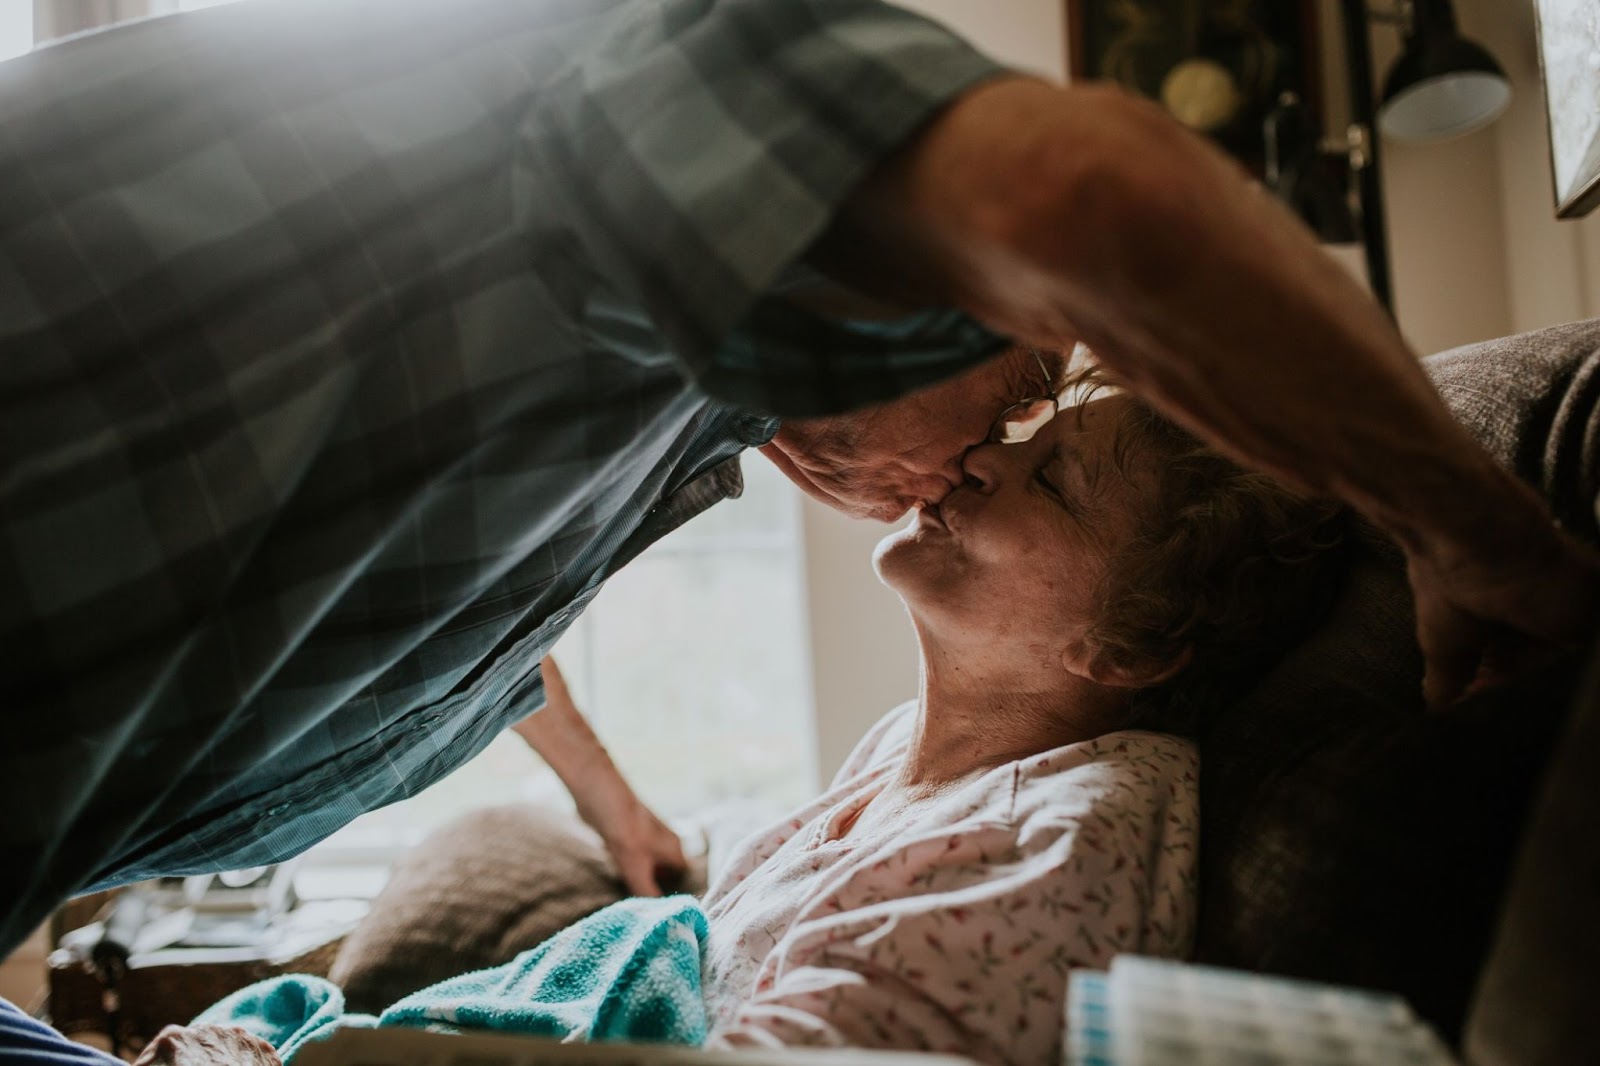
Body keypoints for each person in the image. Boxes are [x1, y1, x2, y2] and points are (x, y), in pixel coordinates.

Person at [1, 0, 1592, 970]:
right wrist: (1472, 531)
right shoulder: (669, 58)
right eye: (1025, 388)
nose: (981, 459)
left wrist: (611, 798)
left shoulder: (671, 404)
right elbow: (1085, 192)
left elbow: (419, 586)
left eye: (1045, 437)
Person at [118, 370, 1348, 1066]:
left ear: (1132, 643)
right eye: (1022, 439)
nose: (981, 459)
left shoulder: (1071, 831)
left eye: (1056, 481)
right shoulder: (916, 759)